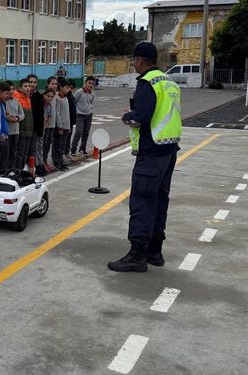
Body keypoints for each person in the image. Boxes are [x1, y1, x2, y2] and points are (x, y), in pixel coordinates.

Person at [108, 42, 182, 272]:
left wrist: (127, 116)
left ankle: (137, 256)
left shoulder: (147, 82)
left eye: (134, 60)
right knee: (159, 202)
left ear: (140, 60)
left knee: (142, 202)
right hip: (169, 150)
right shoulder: (169, 81)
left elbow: (142, 117)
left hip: (151, 152)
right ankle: (154, 252)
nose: (133, 64)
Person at [71, 76, 95, 156]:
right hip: (80, 115)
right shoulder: (79, 92)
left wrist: (89, 111)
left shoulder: (92, 94)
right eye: (89, 83)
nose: (91, 85)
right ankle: (73, 149)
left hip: (89, 115)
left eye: (92, 83)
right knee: (78, 132)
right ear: (86, 83)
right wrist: (75, 113)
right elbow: (74, 102)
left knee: (86, 132)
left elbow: (90, 103)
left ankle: (82, 148)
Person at [12, 78, 33, 170]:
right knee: (20, 152)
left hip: (28, 131)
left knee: (25, 152)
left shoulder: (28, 98)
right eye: (25, 86)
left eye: (29, 86)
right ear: (20, 88)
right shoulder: (17, 98)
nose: (28, 88)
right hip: (21, 131)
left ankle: (21, 170)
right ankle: (17, 170)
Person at [27, 75, 46, 176]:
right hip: (24, 129)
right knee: (24, 150)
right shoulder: (23, 96)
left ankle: (32, 170)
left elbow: (40, 114)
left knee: (33, 150)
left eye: (34, 82)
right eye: (30, 82)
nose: (32, 84)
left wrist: (40, 129)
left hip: (34, 129)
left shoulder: (38, 96)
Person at [52, 80, 72, 171]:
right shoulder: (57, 98)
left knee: (63, 145)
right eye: (66, 88)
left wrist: (68, 126)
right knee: (58, 145)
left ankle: (61, 161)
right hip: (60, 127)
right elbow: (57, 113)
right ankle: (56, 162)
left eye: (69, 88)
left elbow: (66, 114)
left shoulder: (65, 98)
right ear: (60, 87)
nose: (68, 90)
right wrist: (60, 126)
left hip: (66, 126)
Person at [3, 80, 24, 167]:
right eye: (9, 90)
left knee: (14, 151)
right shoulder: (3, 102)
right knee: (6, 153)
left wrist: (17, 118)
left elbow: (22, 114)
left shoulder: (16, 101)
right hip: (7, 132)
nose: (11, 91)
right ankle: (6, 169)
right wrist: (7, 117)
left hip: (15, 131)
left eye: (13, 89)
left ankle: (12, 169)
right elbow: (3, 115)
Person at [43, 77, 60, 172]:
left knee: (48, 144)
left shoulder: (56, 96)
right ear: (48, 84)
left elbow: (56, 111)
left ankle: (45, 161)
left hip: (52, 124)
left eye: (56, 84)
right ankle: (41, 162)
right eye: (52, 83)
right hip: (46, 125)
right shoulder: (46, 95)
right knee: (44, 144)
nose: (54, 85)